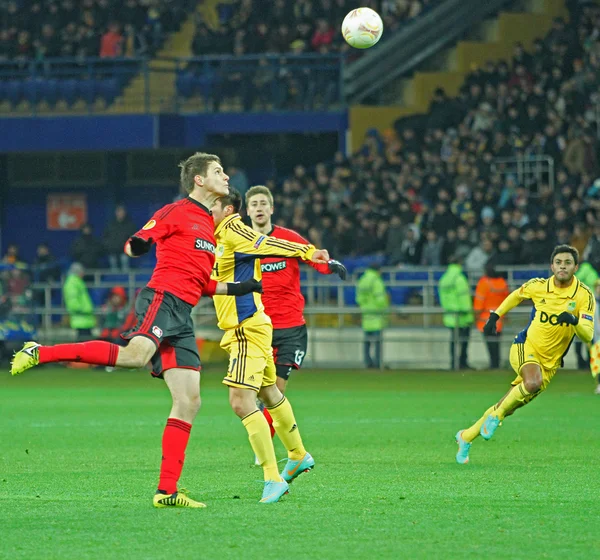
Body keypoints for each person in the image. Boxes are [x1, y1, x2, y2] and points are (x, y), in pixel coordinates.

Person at [11, 152, 262, 509]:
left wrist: (240, 288)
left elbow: (199, 281)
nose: (225, 176)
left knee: (189, 400)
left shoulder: (208, 223)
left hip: (182, 313)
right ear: (199, 180)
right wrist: (139, 245)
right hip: (162, 299)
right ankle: (41, 352)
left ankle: (167, 491)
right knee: (133, 356)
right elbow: (137, 241)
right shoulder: (176, 211)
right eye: (218, 171)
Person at [211, 188, 330, 504]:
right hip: (257, 325)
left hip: (249, 327)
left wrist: (308, 253)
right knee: (270, 393)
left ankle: (271, 478)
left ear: (227, 209)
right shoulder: (218, 236)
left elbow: (268, 243)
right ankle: (298, 454)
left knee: (240, 401)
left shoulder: (235, 228)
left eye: (210, 207)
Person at [455, 245, 595, 464]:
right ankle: (495, 416)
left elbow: (588, 335)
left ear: (575, 267)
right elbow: (516, 295)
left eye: (568, 263)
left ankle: (465, 437)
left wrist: (575, 321)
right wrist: (495, 316)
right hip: (525, 347)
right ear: (552, 266)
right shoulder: (539, 286)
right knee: (531, 382)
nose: (562, 267)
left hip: (551, 364)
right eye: (558, 262)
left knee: (509, 405)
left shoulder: (584, 295)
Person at [245, 185, 346, 392]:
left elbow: (312, 255)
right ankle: (265, 422)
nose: (259, 208)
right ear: (247, 211)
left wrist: (330, 265)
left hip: (290, 327)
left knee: (276, 391)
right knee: (255, 392)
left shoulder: (288, 238)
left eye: (263, 203)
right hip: (256, 326)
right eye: (254, 204)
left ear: (271, 209)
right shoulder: (240, 243)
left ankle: (270, 423)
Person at [438, 256, 474, 370]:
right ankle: (462, 362)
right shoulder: (459, 278)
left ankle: (453, 363)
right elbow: (463, 297)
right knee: (464, 341)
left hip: (450, 314)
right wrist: (467, 310)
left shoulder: (444, 278)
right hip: (462, 314)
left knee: (453, 340)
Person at [473, 262, 510, 369]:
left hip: (485, 319)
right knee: (496, 342)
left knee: (490, 343)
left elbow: (479, 301)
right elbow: (507, 300)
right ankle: (496, 364)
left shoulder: (484, 283)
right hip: (499, 318)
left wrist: (476, 316)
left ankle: (493, 364)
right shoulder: (502, 283)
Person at [356, 263, 389, 369]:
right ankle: (377, 363)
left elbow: (359, 299)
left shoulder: (362, 280)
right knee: (377, 341)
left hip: (366, 314)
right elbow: (380, 299)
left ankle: (367, 362)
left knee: (367, 341)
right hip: (376, 314)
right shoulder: (376, 281)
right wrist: (385, 308)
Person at [574, 259, 599, 369]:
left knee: (579, 337)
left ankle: (582, 362)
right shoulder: (592, 272)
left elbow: (574, 282)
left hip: (583, 308)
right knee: (590, 338)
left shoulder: (584, 270)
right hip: (587, 308)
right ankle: (590, 362)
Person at [63, 262, 96, 340]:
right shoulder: (72, 282)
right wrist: (83, 310)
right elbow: (72, 301)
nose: (83, 273)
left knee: (86, 344)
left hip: (85, 318)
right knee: (83, 343)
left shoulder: (77, 281)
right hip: (81, 317)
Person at [103, 205, 136, 271]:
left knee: (124, 262)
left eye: (122, 211)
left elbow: (133, 238)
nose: (120, 213)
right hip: (113, 250)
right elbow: (106, 237)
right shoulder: (111, 225)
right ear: (116, 212)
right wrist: (109, 246)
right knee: (113, 266)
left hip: (125, 251)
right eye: (118, 211)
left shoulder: (129, 225)